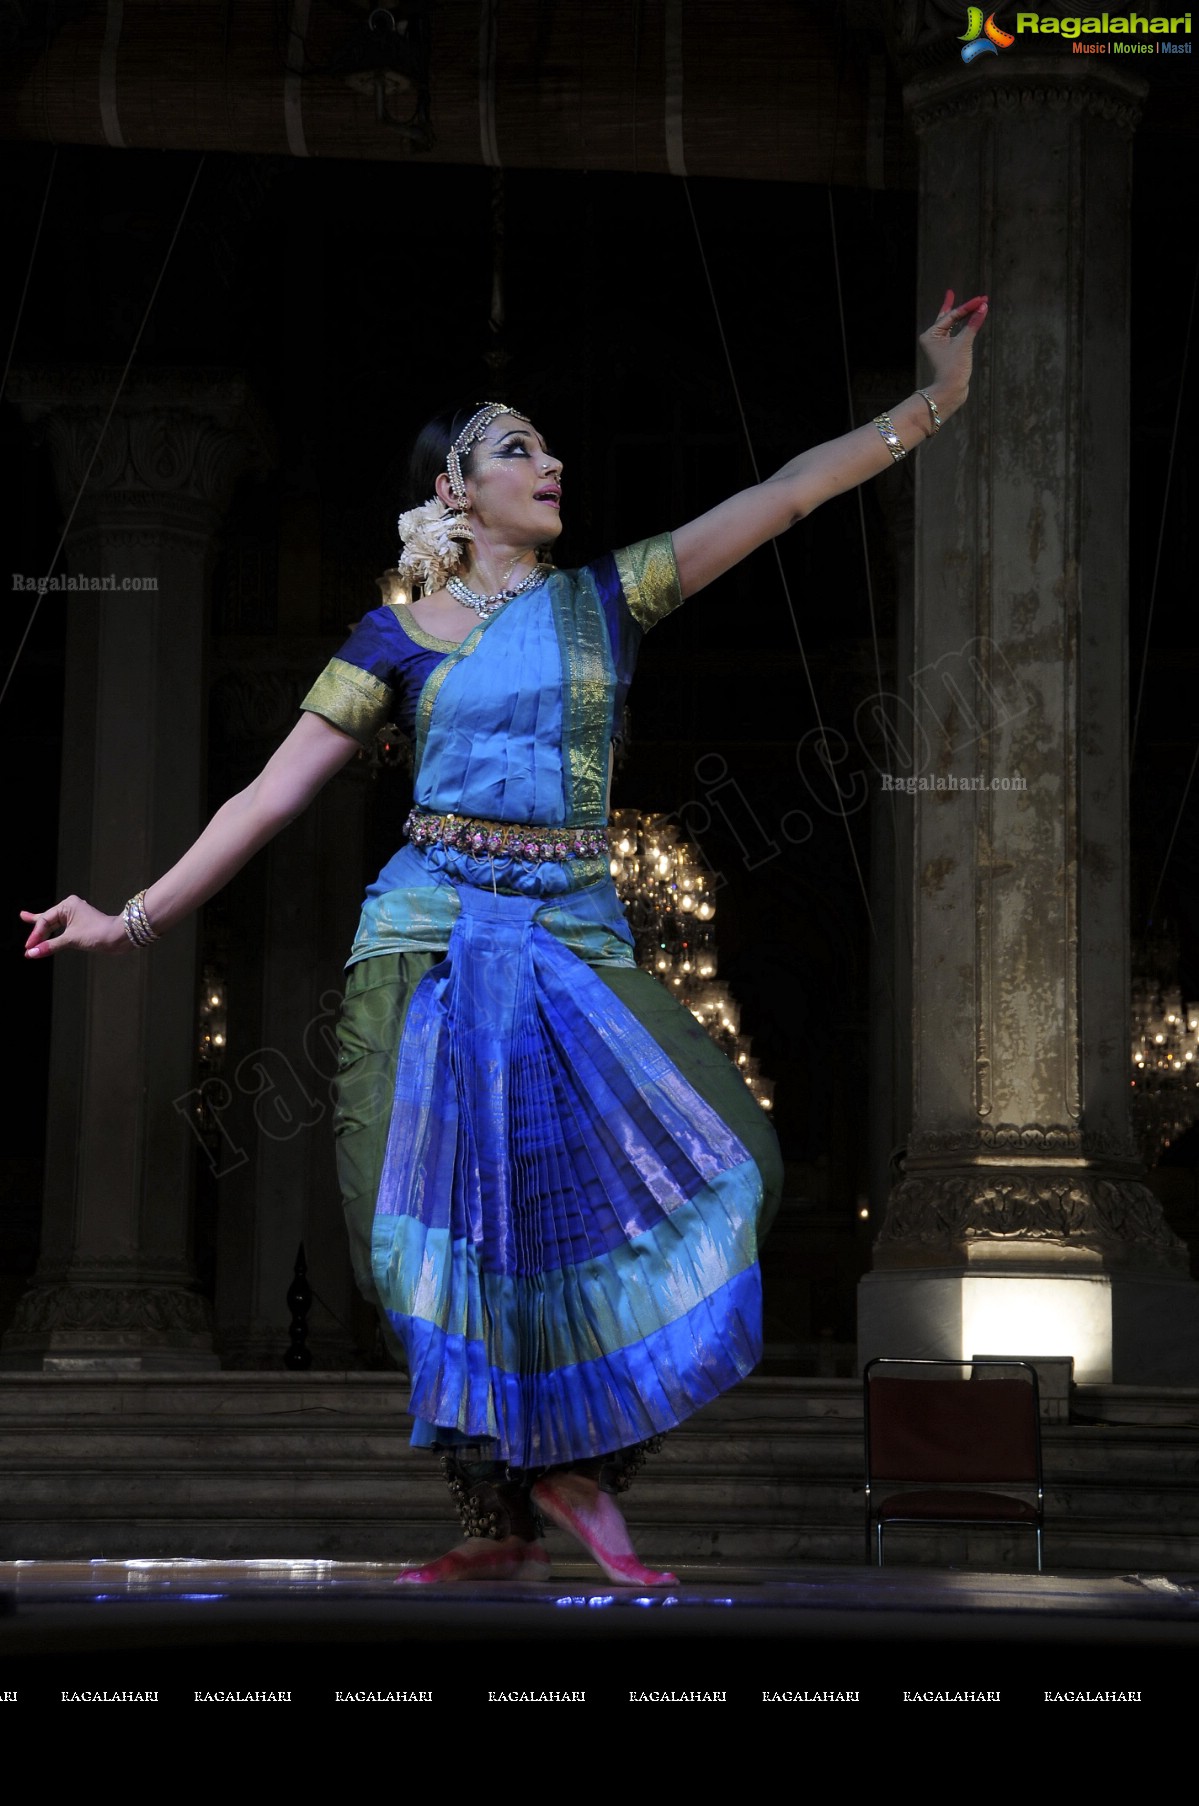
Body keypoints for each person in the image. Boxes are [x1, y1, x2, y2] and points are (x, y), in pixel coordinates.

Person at [21, 289, 988, 1586]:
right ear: (455, 490)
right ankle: (497, 1520)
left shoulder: (609, 595)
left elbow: (786, 495)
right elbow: (268, 794)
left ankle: (583, 1463)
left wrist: (932, 401)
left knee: (730, 1163)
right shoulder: (393, 640)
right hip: (423, 946)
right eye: (519, 448)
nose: (553, 465)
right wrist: (129, 915)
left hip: (572, 941)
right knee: (424, 1239)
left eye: (547, 448)